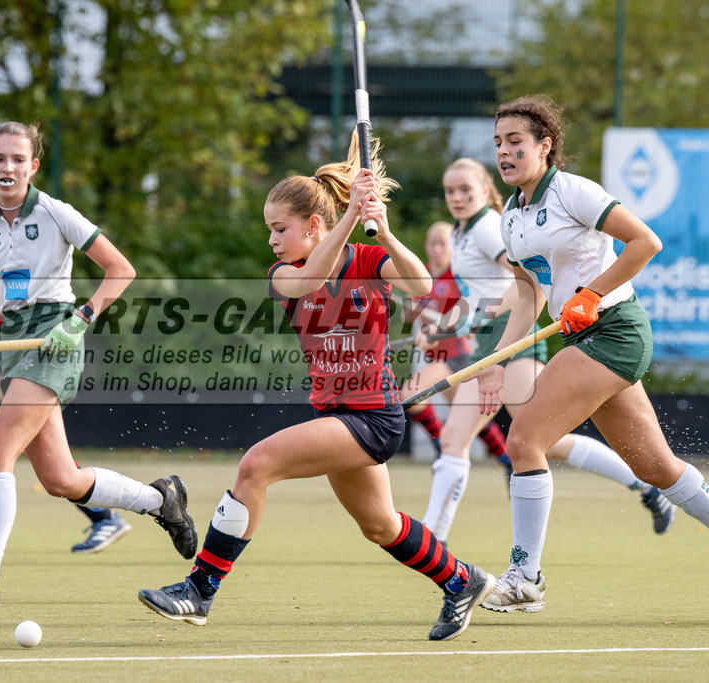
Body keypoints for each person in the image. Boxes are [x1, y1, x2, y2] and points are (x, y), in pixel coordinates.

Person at [138, 135, 495, 642]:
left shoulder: (370, 261)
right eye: (270, 231)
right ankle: (463, 581)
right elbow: (312, 281)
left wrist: (385, 232)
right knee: (381, 526)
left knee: (255, 466)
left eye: (279, 229)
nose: (272, 240)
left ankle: (199, 590)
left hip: (371, 417)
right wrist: (350, 216)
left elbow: (422, 287)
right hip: (338, 414)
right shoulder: (284, 273)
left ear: (312, 225)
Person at [0, 120, 197, 607]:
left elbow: (120, 269)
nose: (8, 168)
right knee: (60, 479)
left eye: (18, 160)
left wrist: (81, 319)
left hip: (56, 336)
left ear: (33, 166)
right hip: (13, 339)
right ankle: (160, 500)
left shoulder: (54, 211)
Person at [476, 95, 709, 613]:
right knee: (659, 470)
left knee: (524, 440)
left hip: (615, 330)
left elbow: (644, 243)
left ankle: (524, 576)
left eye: (515, 142)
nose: (505, 153)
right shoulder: (511, 219)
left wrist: (591, 294)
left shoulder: (572, 192)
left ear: (545, 145)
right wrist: (498, 361)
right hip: (582, 339)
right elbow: (531, 296)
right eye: (498, 144)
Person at [414, 157, 675, 548]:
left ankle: (432, 540)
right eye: (450, 191)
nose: (457, 197)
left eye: (466, 189)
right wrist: (448, 323)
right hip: (491, 347)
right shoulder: (462, 233)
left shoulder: (488, 227)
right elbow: (484, 292)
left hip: (513, 345)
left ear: (485, 190)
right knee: (547, 442)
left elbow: (524, 289)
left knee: (466, 440)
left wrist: (467, 320)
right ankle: (644, 485)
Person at [0, 163, 131, 553]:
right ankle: (125, 510)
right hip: (9, 351)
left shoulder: (19, 227)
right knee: (55, 468)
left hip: (34, 348)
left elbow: (20, 286)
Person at [400, 220, 511, 472]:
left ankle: (442, 450)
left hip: (458, 354)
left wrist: (441, 329)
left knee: (410, 395)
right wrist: (412, 309)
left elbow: (470, 310)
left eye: (443, 243)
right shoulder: (422, 277)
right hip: (437, 356)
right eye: (433, 243)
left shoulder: (458, 275)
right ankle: (507, 459)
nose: (438, 248)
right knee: (472, 421)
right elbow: (410, 319)